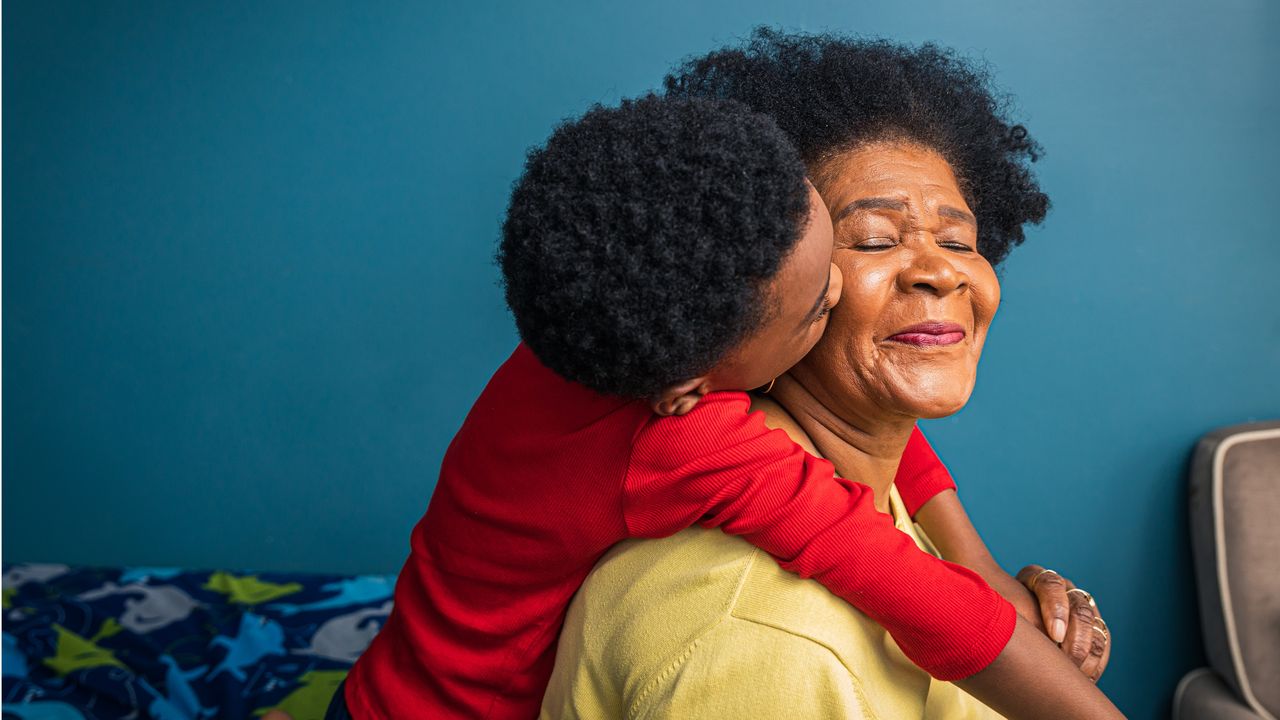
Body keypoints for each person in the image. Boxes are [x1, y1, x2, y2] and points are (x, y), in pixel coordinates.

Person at [338, 93, 1068, 720]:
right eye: (821, 302)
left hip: (397, 665)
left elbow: (881, 428)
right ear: (692, 390)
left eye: (956, 239)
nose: (841, 289)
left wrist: (978, 561)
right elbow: (933, 609)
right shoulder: (694, 449)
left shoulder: (604, 318)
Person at [540, 30, 1120, 719]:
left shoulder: (861, 461)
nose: (941, 269)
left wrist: (1009, 588)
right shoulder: (754, 636)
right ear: (751, 287)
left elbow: (941, 558)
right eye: (874, 240)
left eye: (961, 241)